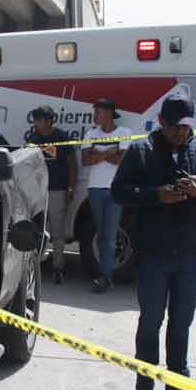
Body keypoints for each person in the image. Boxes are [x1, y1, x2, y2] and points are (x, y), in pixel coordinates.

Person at [112, 91, 196, 390]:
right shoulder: (141, 151)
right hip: (154, 255)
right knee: (150, 323)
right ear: (161, 122)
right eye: (174, 126)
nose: (180, 133)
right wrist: (155, 196)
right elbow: (119, 192)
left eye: (185, 127)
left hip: (191, 255)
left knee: (181, 326)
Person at [81, 98, 132, 293]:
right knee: (102, 234)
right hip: (95, 189)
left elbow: (122, 160)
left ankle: (105, 277)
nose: (95, 116)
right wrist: (110, 151)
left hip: (115, 189)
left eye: (98, 112)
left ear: (109, 113)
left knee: (109, 235)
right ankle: (105, 275)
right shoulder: (90, 134)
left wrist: (98, 152)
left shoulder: (124, 133)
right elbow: (85, 160)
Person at [28, 105, 77, 284]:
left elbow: (72, 165)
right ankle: (36, 266)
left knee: (58, 232)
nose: (36, 123)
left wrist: (70, 189)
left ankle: (58, 267)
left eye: (39, 120)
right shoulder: (33, 140)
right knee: (38, 230)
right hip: (38, 192)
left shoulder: (62, 138)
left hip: (57, 190)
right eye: (35, 120)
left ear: (49, 121)